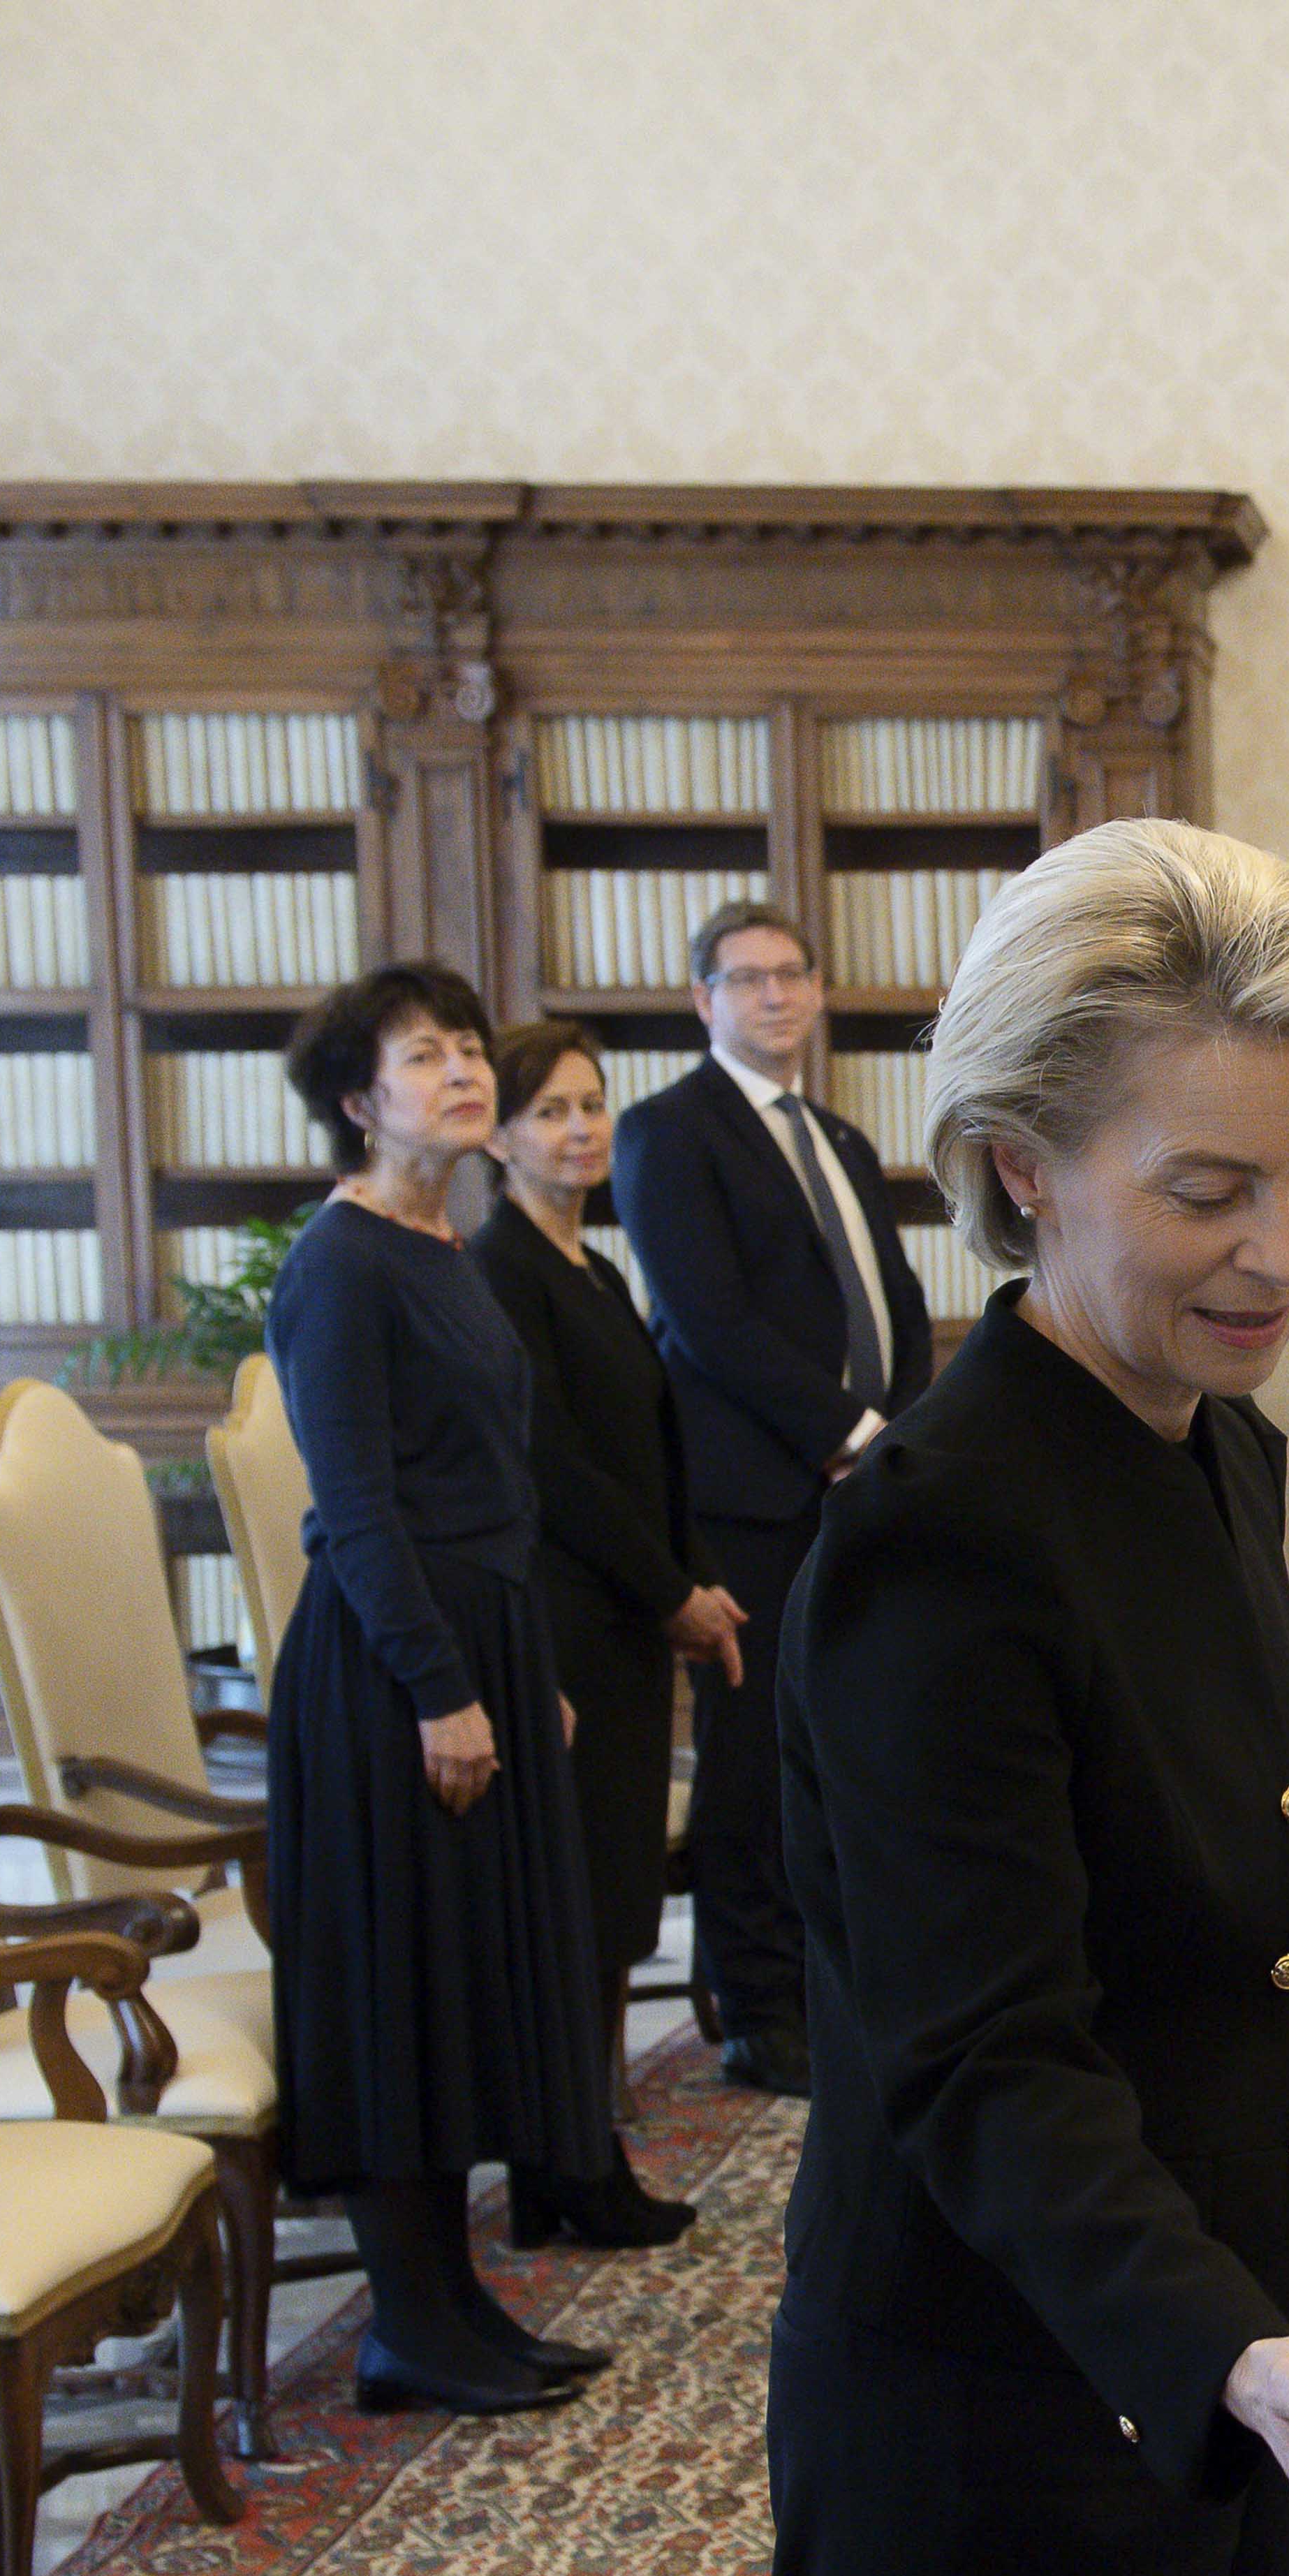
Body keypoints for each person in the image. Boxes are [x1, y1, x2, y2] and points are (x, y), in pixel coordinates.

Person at [765, 818, 1289, 2576]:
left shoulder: (1211, 1440)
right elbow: (980, 2047)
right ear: (1022, 1163)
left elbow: (1175, 1834)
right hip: (1010, 2418)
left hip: (1222, 2363)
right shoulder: (943, 1532)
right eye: (1209, 1190)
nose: (1282, 1251)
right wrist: (1223, 2353)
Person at [265, 962, 618, 2415]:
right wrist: (442, 1687)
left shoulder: (438, 1243)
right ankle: (406, 2322)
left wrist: (523, 1674)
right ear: (359, 1100)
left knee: (466, 1982)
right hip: (385, 1667)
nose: (465, 1071)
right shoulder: (339, 1264)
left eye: (470, 1047)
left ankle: (455, 2302)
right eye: (426, 1056)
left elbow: (488, 1479)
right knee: (400, 1989)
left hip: (478, 1640)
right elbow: (358, 1509)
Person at [612, 901, 936, 2098]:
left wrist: (901, 1433)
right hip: (749, 1499)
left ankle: (834, 1984)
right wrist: (848, 1436)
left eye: (792, 973)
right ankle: (756, 2008)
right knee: (751, 1762)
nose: (775, 995)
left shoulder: (838, 1137)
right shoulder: (666, 1131)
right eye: (747, 978)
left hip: (860, 1488)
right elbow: (710, 1321)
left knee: (847, 1748)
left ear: (819, 989)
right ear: (704, 999)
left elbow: (896, 1300)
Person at [467, 1018, 740, 2247]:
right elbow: (553, 1466)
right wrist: (669, 1588)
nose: (579, 1130)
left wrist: (686, 1577)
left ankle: (579, 2155)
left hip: (623, 1614)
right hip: (566, 1615)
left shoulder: (593, 1267)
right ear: (499, 1137)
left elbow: (647, 1445)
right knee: (573, 1907)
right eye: (550, 1112)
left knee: (616, 1896)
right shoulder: (500, 1267)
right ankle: (566, 2165)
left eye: (592, 1106)